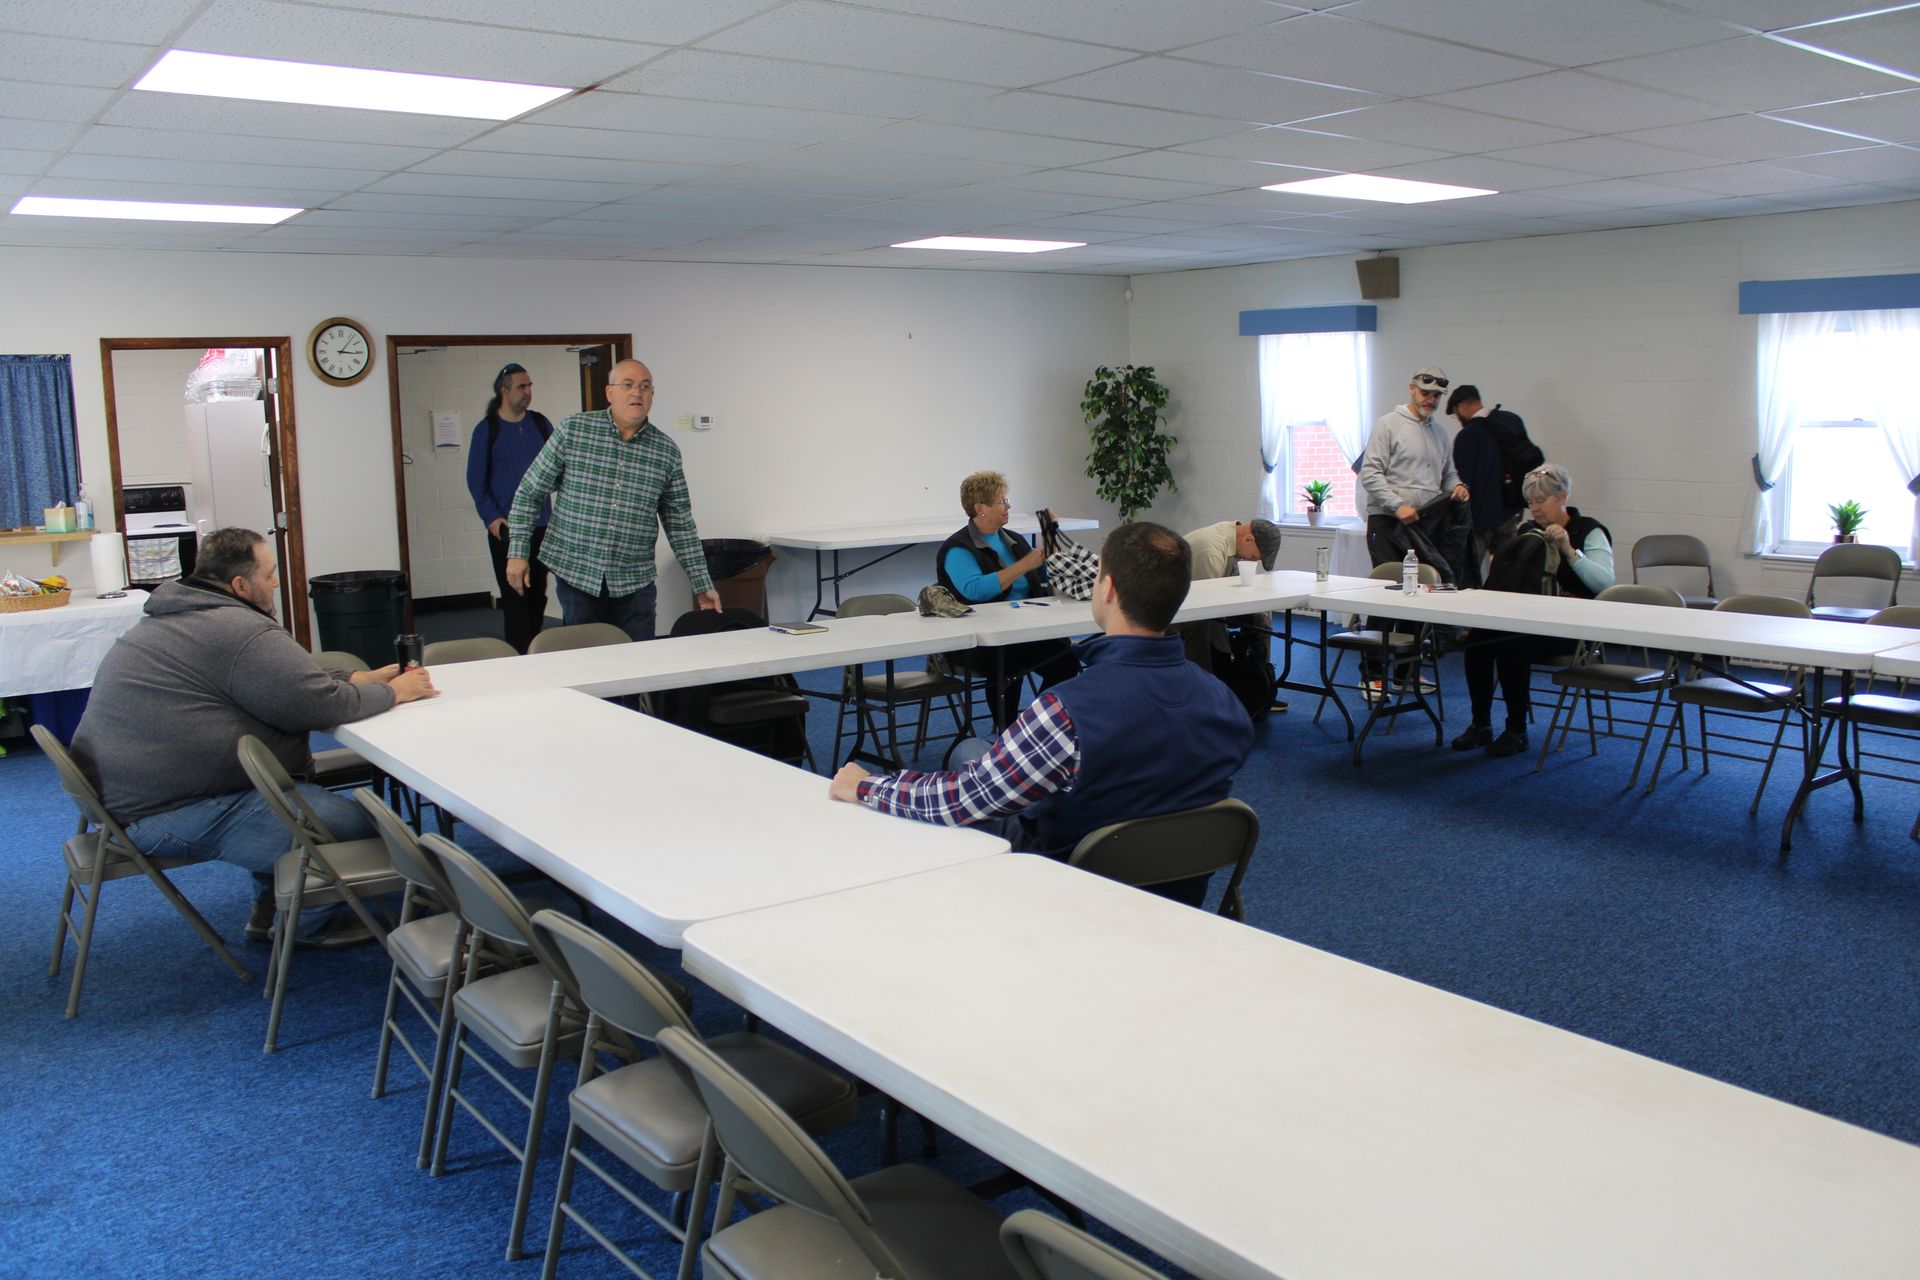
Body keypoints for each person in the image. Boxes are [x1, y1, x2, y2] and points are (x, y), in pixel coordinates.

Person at [832, 521, 1254, 905]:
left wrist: (871, 787)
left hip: (1065, 888)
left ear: (1106, 589)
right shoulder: (1226, 703)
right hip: (1175, 898)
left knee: (969, 755)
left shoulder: (1066, 711)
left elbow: (962, 801)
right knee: (979, 751)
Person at [70, 528, 438, 944]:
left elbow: (278, 676)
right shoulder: (237, 629)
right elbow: (318, 706)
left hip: (126, 796)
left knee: (286, 791)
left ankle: (269, 912)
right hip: (165, 812)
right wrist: (393, 691)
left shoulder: (183, 615)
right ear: (240, 585)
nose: (277, 582)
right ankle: (304, 928)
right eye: (270, 574)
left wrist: (354, 678)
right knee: (354, 826)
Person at [504, 358, 718, 642]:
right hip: (578, 571)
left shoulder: (666, 451)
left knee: (637, 662)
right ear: (609, 393)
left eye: (644, 387)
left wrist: (701, 583)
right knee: (587, 661)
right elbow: (529, 493)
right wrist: (517, 552)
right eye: (627, 385)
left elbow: (680, 523)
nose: (636, 393)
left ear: (652, 394)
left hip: (634, 579)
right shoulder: (574, 430)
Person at [1452, 463, 1614, 759]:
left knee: (1511, 643)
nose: (1535, 509)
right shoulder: (1527, 531)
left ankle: (1516, 730)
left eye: (1541, 501)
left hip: (1574, 628)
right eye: (1530, 503)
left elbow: (1605, 583)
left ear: (1562, 496)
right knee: (1478, 641)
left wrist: (1569, 551)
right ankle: (1480, 724)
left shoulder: (1588, 530)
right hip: (1529, 621)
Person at [934, 470, 1080, 720]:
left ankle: (1036, 724)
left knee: (1065, 662)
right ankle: (1009, 734)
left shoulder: (1013, 539)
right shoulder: (957, 548)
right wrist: (1025, 564)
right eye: (1001, 501)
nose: (1008, 505)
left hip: (1021, 629)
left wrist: (1051, 538)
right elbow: (975, 589)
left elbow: (1045, 575)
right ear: (980, 508)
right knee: (1007, 666)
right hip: (978, 639)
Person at [466, 362, 553, 653]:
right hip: (507, 529)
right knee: (515, 595)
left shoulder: (541, 424)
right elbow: (476, 482)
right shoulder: (487, 430)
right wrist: (491, 517)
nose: (528, 392)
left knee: (537, 594)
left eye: (530, 386)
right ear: (504, 391)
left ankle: (536, 650)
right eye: (521, 387)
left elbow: (560, 467)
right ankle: (519, 655)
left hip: (542, 526)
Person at [1359, 365, 1471, 569]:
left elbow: (1448, 474)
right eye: (1425, 393)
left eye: (1436, 395)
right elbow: (1370, 474)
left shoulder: (1440, 433)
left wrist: (1457, 487)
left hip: (1425, 524)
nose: (1431, 400)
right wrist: (1397, 505)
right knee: (1390, 589)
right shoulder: (1387, 424)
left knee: (1426, 588)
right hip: (1387, 523)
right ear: (1412, 388)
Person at [1447, 384, 1526, 588]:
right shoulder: (1512, 420)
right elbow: (1525, 463)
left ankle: (1471, 617)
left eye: (1456, 414)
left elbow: (1463, 482)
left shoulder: (1467, 436)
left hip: (1478, 519)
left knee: (1469, 574)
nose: (1458, 419)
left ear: (1462, 407)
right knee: (1509, 573)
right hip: (1510, 512)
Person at [1178, 516, 1281, 671]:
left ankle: (1260, 671)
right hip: (1179, 610)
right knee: (1203, 626)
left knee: (1261, 619)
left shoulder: (1234, 537)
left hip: (1211, 603)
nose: (1253, 562)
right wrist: (1226, 653)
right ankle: (1209, 681)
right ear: (1248, 539)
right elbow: (1207, 607)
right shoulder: (1211, 550)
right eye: (1254, 558)